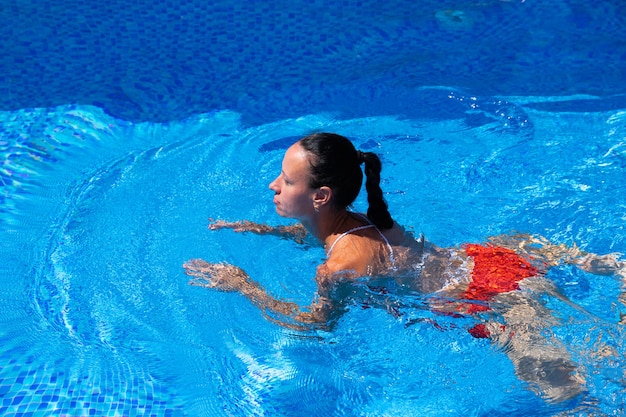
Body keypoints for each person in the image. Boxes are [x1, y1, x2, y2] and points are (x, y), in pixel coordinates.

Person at [184, 132, 625, 403]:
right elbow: (311, 234)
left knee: (570, 394)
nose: (273, 185)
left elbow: (314, 326)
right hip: (488, 258)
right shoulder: (357, 220)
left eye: (286, 180)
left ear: (320, 197)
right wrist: (258, 229)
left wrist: (243, 286)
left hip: (484, 300)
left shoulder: (337, 267)